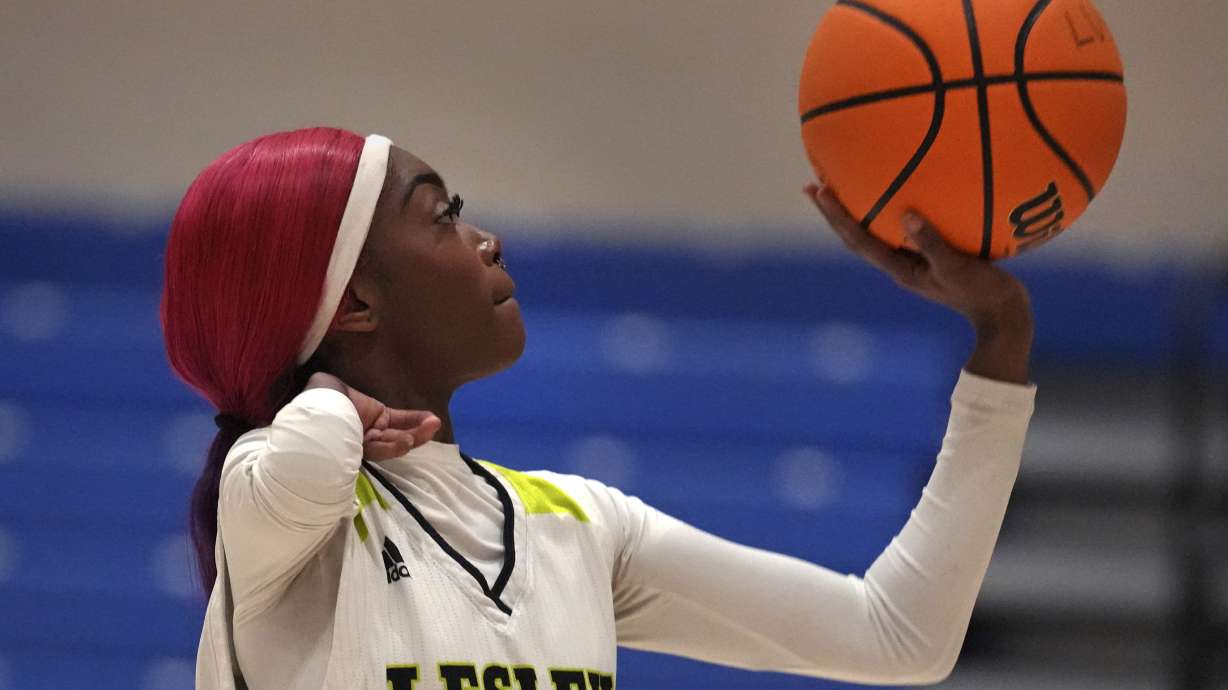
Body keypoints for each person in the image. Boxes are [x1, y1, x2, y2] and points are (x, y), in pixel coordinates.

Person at [161, 127, 1036, 690]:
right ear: (354, 304)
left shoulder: (578, 525)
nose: (483, 238)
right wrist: (323, 397)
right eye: (443, 216)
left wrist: (999, 337)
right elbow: (305, 461)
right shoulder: (277, 509)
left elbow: (898, 633)